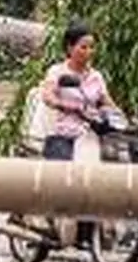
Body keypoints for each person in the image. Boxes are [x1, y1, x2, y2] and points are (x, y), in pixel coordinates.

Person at [39, 20, 121, 162]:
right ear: (70, 48)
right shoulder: (57, 71)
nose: (89, 52)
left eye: (92, 47)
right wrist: (64, 105)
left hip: (91, 133)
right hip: (64, 134)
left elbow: (107, 101)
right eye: (83, 47)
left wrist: (122, 117)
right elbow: (48, 95)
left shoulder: (96, 76)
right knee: (62, 168)